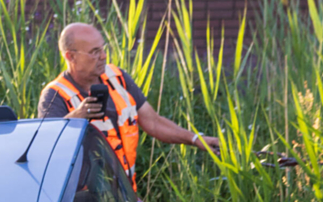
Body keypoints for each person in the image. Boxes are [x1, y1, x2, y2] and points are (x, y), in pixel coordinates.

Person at [37, 23, 220, 191]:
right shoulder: (54, 95)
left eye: (103, 49)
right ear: (70, 56)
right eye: (94, 52)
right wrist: (76, 118)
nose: (103, 56)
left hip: (125, 198)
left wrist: (196, 139)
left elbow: (154, 123)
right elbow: (47, 147)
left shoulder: (118, 77)